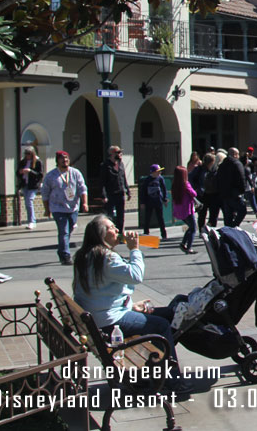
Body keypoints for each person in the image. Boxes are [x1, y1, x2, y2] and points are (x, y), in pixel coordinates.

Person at [72, 215, 192, 396]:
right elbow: (136, 276)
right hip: (109, 322)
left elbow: (101, 293)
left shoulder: (86, 255)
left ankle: (155, 368)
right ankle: (170, 380)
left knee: (167, 313)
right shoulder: (106, 258)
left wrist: (129, 307)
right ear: (101, 235)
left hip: (99, 317)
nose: (117, 231)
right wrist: (134, 249)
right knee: (161, 325)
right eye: (112, 228)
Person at [42, 151, 88, 265]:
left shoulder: (75, 173)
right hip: (57, 208)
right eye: (62, 159)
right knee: (64, 231)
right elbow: (45, 193)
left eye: (66, 158)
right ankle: (65, 255)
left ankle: (62, 248)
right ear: (57, 161)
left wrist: (84, 203)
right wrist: (47, 209)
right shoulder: (51, 176)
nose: (65, 160)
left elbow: (82, 188)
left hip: (73, 207)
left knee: (70, 228)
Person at [100, 145, 130, 231]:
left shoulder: (121, 164)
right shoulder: (105, 165)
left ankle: (120, 233)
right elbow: (102, 182)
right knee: (110, 215)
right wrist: (104, 195)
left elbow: (123, 177)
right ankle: (111, 233)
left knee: (121, 215)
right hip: (110, 194)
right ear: (112, 153)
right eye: (118, 152)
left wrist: (127, 190)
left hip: (120, 193)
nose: (121, 154)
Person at [216, 148, 247, 227]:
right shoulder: (237, 164)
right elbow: (242, 178)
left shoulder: (222, 165)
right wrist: (242, 190)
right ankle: (233, 226)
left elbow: (218, 179)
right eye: (238, 154)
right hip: (235, 193)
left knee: (228, 215)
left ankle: (228, 232)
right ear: (235, 154)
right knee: (242, 210)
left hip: (225, 194)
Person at [171, 166, 199, 254]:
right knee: (193, 228)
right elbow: (194, 193)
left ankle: (183, 243)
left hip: (180, 210)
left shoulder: (174, 185)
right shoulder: (185, 184)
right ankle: (189, 247)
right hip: (188, 209)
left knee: (190, 227)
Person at [138, 164, 169, 239]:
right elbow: (143, 191)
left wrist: (165, 199)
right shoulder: (147, 180)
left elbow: (164, 189)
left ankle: (163, 234)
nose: (159, 173)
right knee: (147, 217)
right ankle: (146, 232)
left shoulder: (160, 179)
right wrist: (142, 202)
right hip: (149, 201)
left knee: (160, 218)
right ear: (153, 172)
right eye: (158, 171)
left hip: (158, 201)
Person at [17, 146, 43, 229]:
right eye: (26, 154)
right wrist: (20, 172)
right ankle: (31, 220)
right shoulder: (22, 162)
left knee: (29, 201)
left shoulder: (38, 162)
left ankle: (32, 221)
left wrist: (30, 171)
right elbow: (17, 173)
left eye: (29, 154)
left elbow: (40, 174)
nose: (27, 155)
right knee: (27, 202)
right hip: (25, 184)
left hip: (33, 185)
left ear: (32, 154)